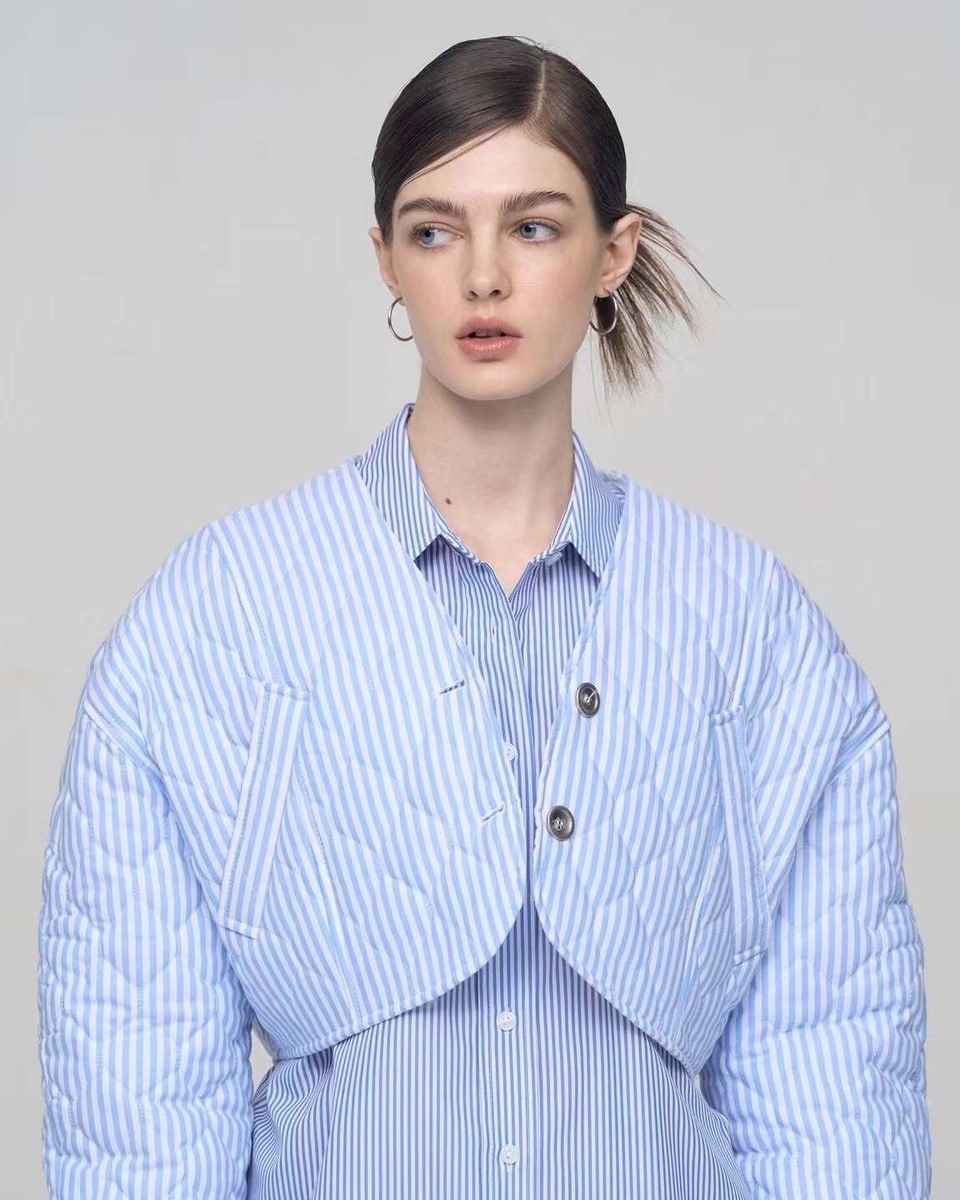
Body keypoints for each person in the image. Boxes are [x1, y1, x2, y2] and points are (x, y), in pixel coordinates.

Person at [37, 33, 931, 1200]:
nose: (483, 277)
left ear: (614, 253)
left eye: (535, 226)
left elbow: (834, 1090)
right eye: (434, 230)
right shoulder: (218, 616)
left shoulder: (751, 632)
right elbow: (134, 1093)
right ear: (384, 259)